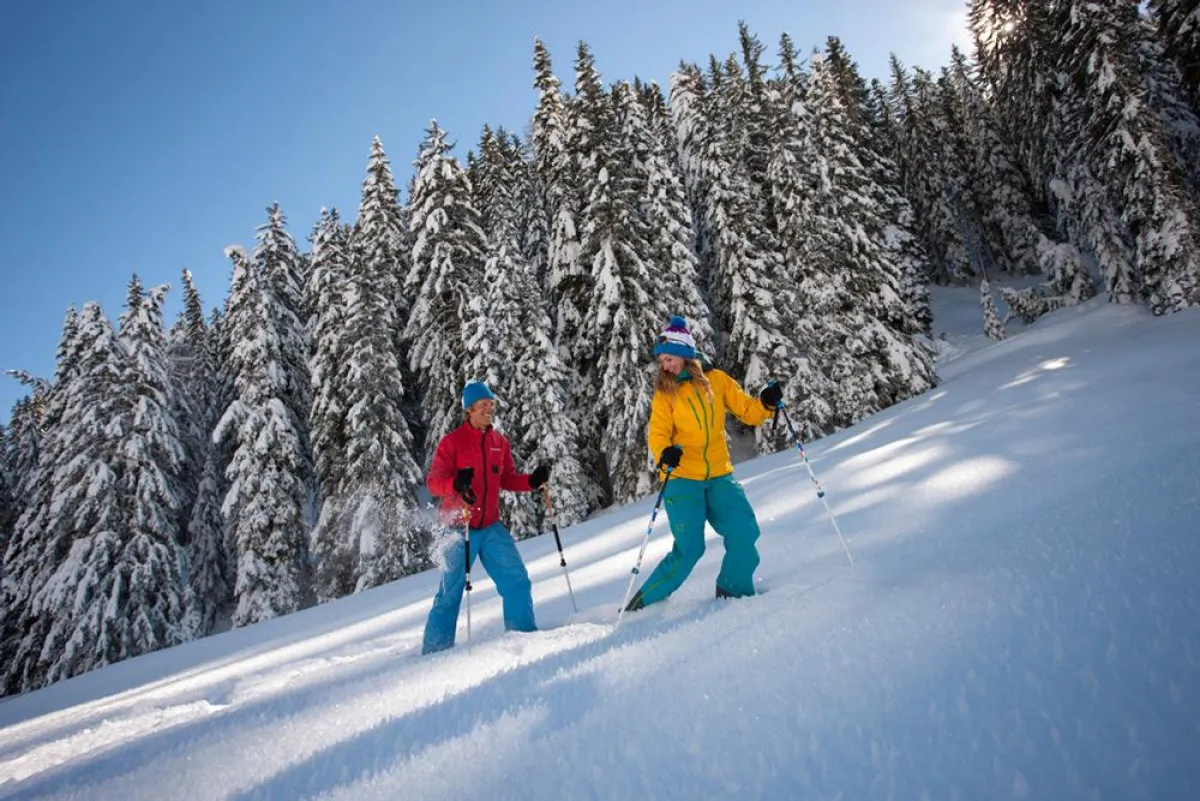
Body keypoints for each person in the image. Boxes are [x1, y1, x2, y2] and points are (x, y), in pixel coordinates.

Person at [624, 316, 784, 612]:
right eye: (662, 360)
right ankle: (641, 606)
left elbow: (748, 411)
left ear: (685, 355)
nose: (664, 365)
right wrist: (665, 453)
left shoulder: (718, 381)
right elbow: (658, 432)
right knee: (690, 549)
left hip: (719, 475)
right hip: (682, 478)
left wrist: (766, 403)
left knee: (744, 531)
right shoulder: (666, 392)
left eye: (669, 359)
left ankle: (733, 593)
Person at [422, 380, 551, 654]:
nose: (489, 409)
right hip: (458, 528)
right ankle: (434, 652)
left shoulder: (498, 442)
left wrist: (532, 481)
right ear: (469, 409)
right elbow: (434, 482)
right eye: (483, 405)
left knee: (516, 579)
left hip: (490, 526)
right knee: (450, 593)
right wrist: (456, 484)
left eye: (491, 405)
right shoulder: (452, 442)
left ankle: (524, 638)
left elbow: (506, 478)